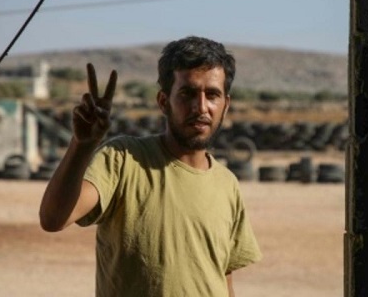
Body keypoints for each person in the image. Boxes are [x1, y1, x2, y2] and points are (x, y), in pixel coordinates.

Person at [39, 35, 262, 296]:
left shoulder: (227, 183)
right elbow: (53, 219)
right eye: (187, 93)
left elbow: (223, 277)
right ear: (164, 102)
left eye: (212, 95)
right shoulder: (124, 158)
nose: (201, 107)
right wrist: (82, 145)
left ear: (225, 106)